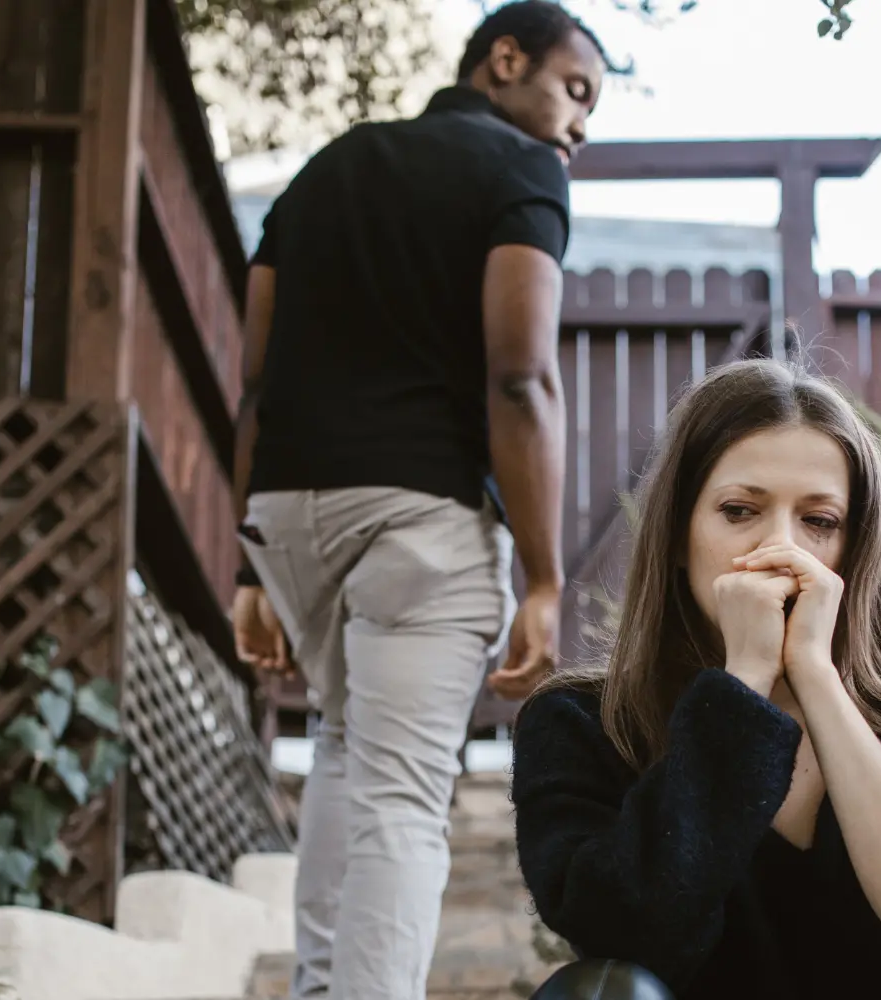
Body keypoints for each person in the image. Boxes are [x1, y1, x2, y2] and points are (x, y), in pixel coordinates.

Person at [228, 3, 610, 998]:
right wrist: (543, 573)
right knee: (401, 792)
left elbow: (255, 382)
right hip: (422, 520)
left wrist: (244, 563)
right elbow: (521, 377)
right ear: (505, 59)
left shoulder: (326, 169)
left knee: (348, 752)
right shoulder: (523, 173)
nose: (578, 126)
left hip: (294, 516)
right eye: (575, 91)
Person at [511, 360, 881, 1000]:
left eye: (819, 522)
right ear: (681, 534)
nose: (780, 550)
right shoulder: (581, 721)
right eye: (739, 511)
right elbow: (627, 937)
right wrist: (742, 687)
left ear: (855, 548)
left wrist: (816, 677)